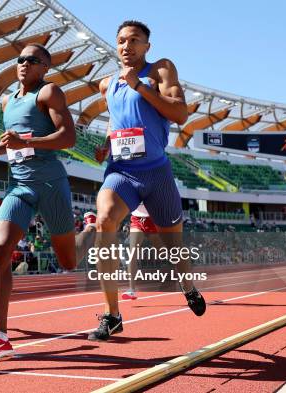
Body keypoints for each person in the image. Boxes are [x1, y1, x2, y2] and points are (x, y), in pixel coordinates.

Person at [88, 20, 205, 342]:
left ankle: (187, 285)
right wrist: (109, 144)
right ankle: (112, 315)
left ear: (147, 47)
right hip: (122, 170)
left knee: (173, 249)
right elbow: (118, 117)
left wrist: (140, 86)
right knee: (104, 221)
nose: (127, 46)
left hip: (157, 172)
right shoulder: (106, 84)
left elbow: (180, 114)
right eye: (122, 41)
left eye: (134, 40)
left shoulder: (161, 70)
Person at [0, 43, 78, 364]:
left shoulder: (49, 93)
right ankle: (1, 337)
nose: (24, 63)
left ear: (45, 67)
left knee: (69, 262)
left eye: (33, 60)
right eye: (21, 59)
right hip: (19, 187)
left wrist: (25, 141)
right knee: (1, 251)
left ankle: (95, 236)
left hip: (51, 185)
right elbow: (15, 144)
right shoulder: (6, 101)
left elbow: (68, 137)